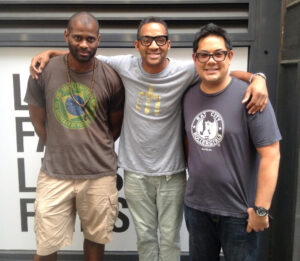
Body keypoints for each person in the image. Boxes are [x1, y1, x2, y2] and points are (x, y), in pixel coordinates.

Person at [30, 17, 269, 261]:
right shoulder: (124, 65)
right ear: (137, 45)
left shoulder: (187, 71)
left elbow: (224, 71)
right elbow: (84, 52)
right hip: (135, 173)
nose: (153, 45)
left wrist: (257, 78)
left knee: (169, 239)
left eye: (160, 40)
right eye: (147, 40)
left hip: (171, 174)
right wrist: (49, 53)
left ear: (168, 44)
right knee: (145, 237)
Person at [25, 12, 124, 261]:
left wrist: (90, 147)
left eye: (90, 39)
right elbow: (38, 120)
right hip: (55, 173)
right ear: (66, 35)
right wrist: (60, 146)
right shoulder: (44, 71)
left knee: (95, 241)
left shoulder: (110, 76)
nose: (83, 44)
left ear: (98, 40)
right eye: (78, 37)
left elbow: (114, 128)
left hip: (99, 174)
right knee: (45, 246)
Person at [182, 23, 281, 261]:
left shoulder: (251, 97)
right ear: (195, 58)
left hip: (240, 214)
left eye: (219, 54)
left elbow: (271, 154)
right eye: (204, 55)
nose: (211, 61)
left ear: (230, 56)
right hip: (197, 209)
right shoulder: (188, 96)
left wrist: (261, 209)